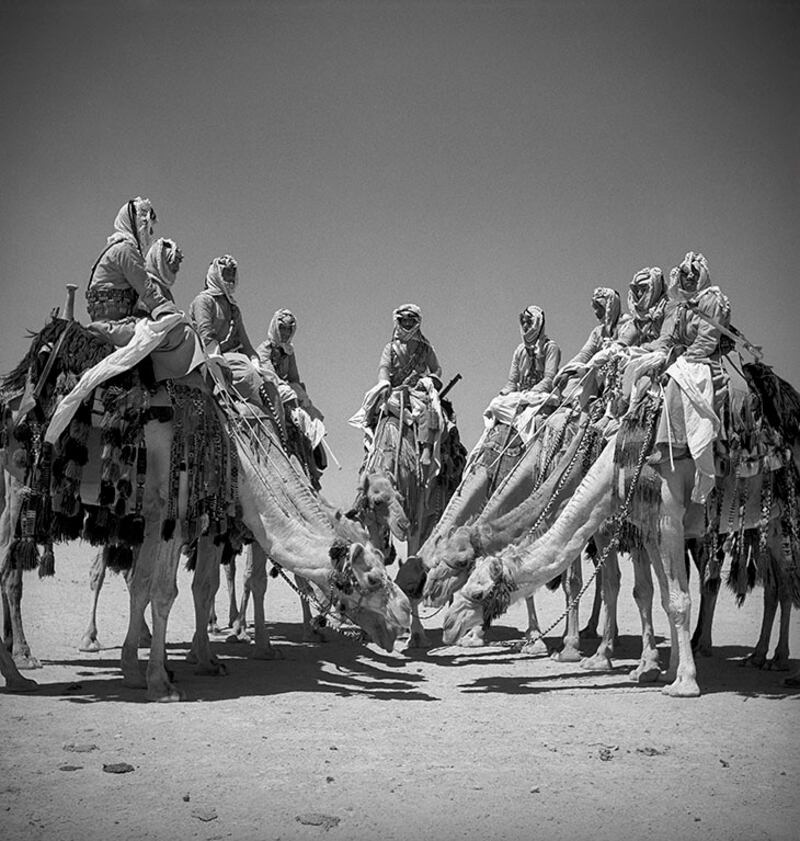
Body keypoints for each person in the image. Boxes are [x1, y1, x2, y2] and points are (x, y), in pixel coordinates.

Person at [635, 252, 732, 502]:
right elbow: (666, 338)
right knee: (640, 377)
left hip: (703, 361)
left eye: (693, 275)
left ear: (701, 276)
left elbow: (707, 339)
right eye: (685, 274)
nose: (688, 279)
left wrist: (682, 360)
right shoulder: (677, 306)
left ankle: (673, 446)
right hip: (678, 358)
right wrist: (644, 351)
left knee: (677, 384)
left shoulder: (713, 300)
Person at [189, 255, 277, 415]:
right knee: (248, 376)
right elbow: (206, 335)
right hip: (210, 359)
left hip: (234, 359)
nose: (230, 278)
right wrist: (219, 364)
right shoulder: (203, 301)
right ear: (216, 275)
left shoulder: (234, 309)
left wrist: (257, 363)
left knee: (270, 387)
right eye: (226, 273)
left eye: (232, 274)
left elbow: (246, 345)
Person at [86, 197, 179, 346]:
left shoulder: (115, 247)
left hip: (110, 322)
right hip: (115, 327)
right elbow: (147, 292)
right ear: (138, 225)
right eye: (148, 227)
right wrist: (175, 314)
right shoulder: (126, 250)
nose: (151, 232)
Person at [256, 309, 327, 487]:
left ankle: (314, 456)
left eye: (289, 329)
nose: (286, 332)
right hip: (269, 388)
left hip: (287, 390)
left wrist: (300, 394)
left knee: (311, 413)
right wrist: (285, 387)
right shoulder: (265, 349)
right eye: (282, 328)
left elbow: (294, 377)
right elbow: (267, 373)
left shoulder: (289, 351)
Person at [375, 304, 443, 467]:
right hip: (396, 391)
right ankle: (372, 454)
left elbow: (437, 369)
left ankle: (427, 449)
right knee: (376, 410)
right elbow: (384, 368)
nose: (406, 325)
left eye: (409, 321)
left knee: (429, 409)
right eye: (403, 321)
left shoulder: (425, 347)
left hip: (417, 390)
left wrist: (428, 380)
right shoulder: (390, 348)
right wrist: (384, 383)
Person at [483, 305, 560, 442]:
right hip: (521, 397)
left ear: (538, 323)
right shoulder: (519, 350)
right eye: (523, 322)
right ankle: (517, 421)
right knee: (495, 405)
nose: (525, 326)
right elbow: (512, 383)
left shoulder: (551, 348)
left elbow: (549, 379)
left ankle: (524, 433)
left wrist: (529, 396)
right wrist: (503, 395)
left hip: (541, 397)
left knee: (531, 416)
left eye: (529, 322)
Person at [553, 287, 622, 408]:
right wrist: (566, 372)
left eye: (599, 308)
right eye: (595, 308)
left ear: (610, 306)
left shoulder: (625, 325)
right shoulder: (597, 332)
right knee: (571, 384)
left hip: (614, 370)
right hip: (592, 369)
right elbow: (584, 354)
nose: (596, 312)